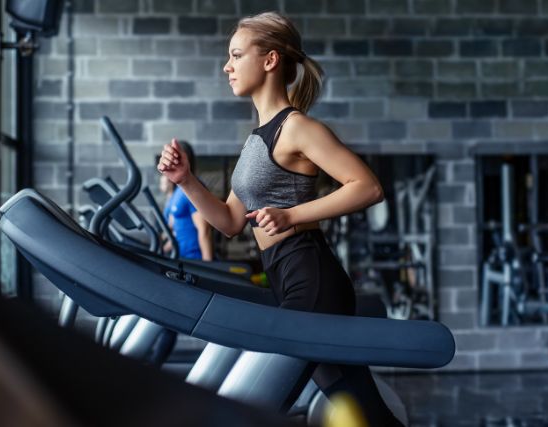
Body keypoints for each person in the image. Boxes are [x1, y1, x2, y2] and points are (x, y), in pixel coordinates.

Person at [158, 12, 400, 426]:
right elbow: (232, 221)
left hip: (311, 277)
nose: (226, 66)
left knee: (257, 399)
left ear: (269, 60)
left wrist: (291, 215)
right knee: (359, 405)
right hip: (287, 276)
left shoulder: (298, 127)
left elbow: (367, 187)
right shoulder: (257, 138)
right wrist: (185, 181)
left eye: (236, 55)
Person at [158, 141, 213, 261]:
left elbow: (204, 230)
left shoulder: (193, 189)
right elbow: (173, 229)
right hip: (180, 257)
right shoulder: (178, 191)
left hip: (194, 259)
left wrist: (208, 266)